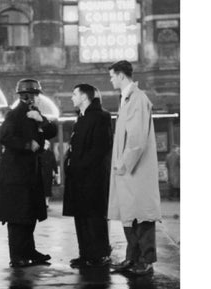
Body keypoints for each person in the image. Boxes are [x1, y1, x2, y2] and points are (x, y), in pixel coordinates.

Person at [0, 78, 57, 268]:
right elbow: (5, 137)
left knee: (29, 216)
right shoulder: (14, 115)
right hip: (16, 176)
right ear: (29, 96)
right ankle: (17, 256)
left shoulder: (34, 114)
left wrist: (42, 120)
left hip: (29, 175)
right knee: (17, 217)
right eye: (37, 95)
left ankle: (29, 251)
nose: (39, 99)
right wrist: (27, 145)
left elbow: (52, 131)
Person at [108, 60, 162, 276]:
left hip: (135, 171)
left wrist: (123, 163)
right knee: (130, 215)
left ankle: (146, 261)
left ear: (121, 76)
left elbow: (137, 139)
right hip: (128, 172)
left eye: (112, 76)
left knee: (142, 216)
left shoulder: (137, 99)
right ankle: (132, 258)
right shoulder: (127, 99)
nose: (111, 80)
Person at [63, 84, 113, 267]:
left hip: (93, 178)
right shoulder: (81, 117)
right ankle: (85, 254)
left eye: (74, 93)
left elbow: (100, 148)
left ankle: (99, 254)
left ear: (85, 97)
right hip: (78, 178)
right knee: (81, 217)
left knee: (94, 218)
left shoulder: (101, 116)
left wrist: (79, 166)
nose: (72, 97)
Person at [40, 140, 58, 207]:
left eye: (47, 144)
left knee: (48, 188)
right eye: (45, 144)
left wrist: (56, 172)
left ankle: (46, 202)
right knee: (42, 188)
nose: (46, 145)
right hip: (41, 173)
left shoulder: (50, 153)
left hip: (48, 173)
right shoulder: (40, 153)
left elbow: (54, 162)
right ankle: (42, 202)